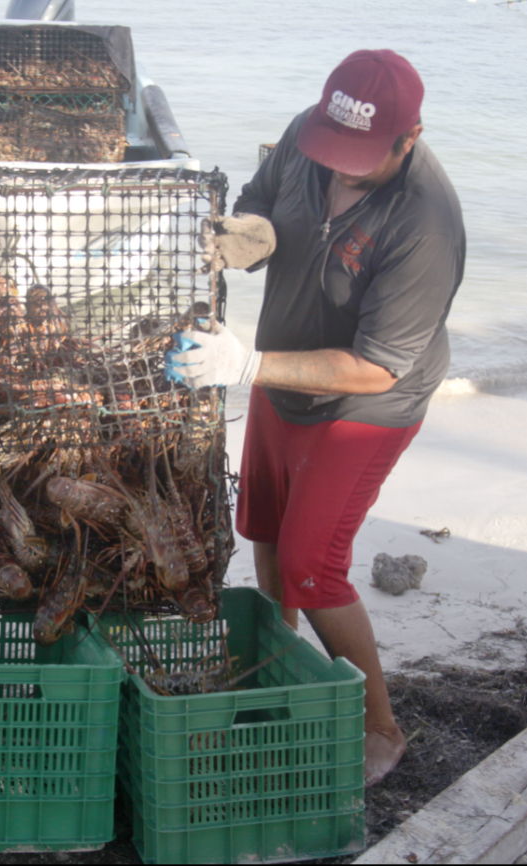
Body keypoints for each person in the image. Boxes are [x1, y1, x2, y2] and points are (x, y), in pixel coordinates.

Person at [171, 49, 465, 785]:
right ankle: (279, 679)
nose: (341, 167)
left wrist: (244, 365)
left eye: (361, 158)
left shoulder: (425, 224)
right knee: (263, 535)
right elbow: (262, 193)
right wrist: (252, 232)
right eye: (332, 150)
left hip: (366, 404)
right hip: (281, 374)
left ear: (410, 136)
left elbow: (376, 365)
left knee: (312, 563)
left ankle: (381, 727)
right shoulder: (313, 133)